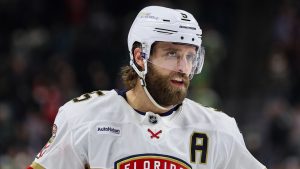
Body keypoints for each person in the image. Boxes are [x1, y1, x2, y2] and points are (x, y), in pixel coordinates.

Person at [27, 6, 266, 169]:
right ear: (140, 56)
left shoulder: (219, 129)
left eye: (190, 57)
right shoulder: (86, 117)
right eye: (172, 54)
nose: (183, 67)